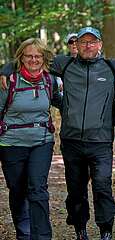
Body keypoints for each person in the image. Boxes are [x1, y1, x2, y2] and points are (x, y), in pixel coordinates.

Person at [0, 27, 115, 240]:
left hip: (97, 140)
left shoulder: (112, 67)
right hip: (68, 140)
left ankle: (104, 230)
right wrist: (7, 68)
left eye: (92, 42)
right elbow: (32, 60)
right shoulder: (65, 65)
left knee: (101, 186)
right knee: (74, 190)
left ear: (100, 45)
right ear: (76, 45)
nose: (87, 45)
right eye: (83, 42)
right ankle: (78, 229)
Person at [0, 38, 61, 239]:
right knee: (17, 190)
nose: (33, 60)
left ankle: (42, 236)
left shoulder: (50, 80)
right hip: (11, 142)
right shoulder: (7, 81)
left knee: (38, 188)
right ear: (21, 58)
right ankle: (24, 233)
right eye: (29, 56)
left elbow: (64, 103)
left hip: (41, 141)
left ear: (44, 58)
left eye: (38, 56)